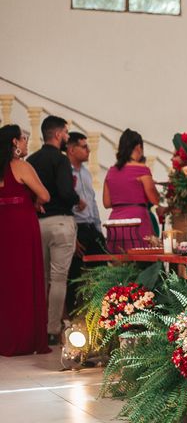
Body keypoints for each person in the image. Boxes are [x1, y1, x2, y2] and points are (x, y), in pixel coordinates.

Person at [27, 116, 82, 345]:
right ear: (58, 134)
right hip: (60, 222)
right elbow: (66, 192)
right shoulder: (60, 160)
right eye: (66, 132)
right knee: (59, 278)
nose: (68, 137)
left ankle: (37, 327)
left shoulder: (32, 160)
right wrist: (77, 199)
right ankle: (52, 329)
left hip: (37, 222)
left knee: (42, 278)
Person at [0, 125, 51, 356]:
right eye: (23, 139)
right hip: (21, 226)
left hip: (3, 226)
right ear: (14, 143)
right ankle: (26, 339)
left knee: (6, 282)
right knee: (24, 279)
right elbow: (45, 195)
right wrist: (35, 202)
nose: (26, 143)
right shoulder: (20, 166)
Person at [66, 132, 106, 313]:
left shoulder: (86, 173)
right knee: (75, 277)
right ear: (72, 149)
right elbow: (64, 205)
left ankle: (101, 315)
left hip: (92, 229)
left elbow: (93, 203)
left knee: (102, 274)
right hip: (77, 230)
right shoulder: (64, 172)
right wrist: (72, 236)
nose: (89, 150)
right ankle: (74, 320)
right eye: (84, 146)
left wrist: (98, 229)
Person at [103, 129, 160, 251]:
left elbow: (106, 203)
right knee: (142, 265)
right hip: (138, 223)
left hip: (115, 225)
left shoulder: (111, 171)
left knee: (119, 268)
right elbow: (154, 199)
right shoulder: (142, 170)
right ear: (138, 147)